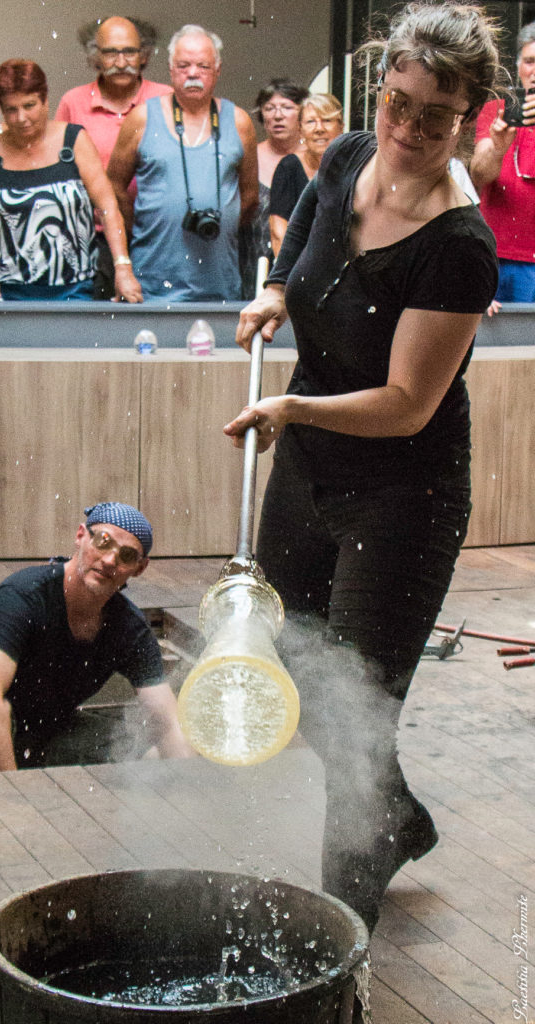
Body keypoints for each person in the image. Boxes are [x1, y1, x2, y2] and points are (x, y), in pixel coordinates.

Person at [222, 1, 504, 932]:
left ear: (471, 118)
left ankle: (337, 947)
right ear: (381, 85)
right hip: (308, 472)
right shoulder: (343, 155)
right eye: (399, 101)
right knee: (291, 675)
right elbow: (300, 241)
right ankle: (398, 820)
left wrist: (289, 404)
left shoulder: (460, 248)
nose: (409, 129)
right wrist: (272, 293)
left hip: (403, 495)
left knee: (356, 717)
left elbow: (407, 403)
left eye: (436, 116)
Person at [0, 502, 191, 770]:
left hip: (43, 731)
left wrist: (195, 794)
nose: (110, 560)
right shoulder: (24, 597)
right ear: (80, 536)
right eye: (102, 541)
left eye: (126, 555)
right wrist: (16, 794)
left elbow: (167, 722)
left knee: (146, 753)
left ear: (140, 567)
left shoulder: (130, 629)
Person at [0, 59, 140, 302]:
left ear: (45, 100)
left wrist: (122, 267)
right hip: (3, 291)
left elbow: (108, 207)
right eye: (11, 110)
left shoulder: (73, 141)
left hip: (75, 289)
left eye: (29, 105)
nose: (21, 118)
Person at [107, 24, 258, 302]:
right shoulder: (141, 119)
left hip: (220, 283)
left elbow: (249, 198)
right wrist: (147, 226)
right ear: (170, 69)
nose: (192, 73)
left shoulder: (239, 122)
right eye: (183, 65)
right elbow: (114, 189)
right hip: (153, 283)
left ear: (218, 70)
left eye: (203, 66)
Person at [55, 17, 170, 297]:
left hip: (156, 235)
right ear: (95, 57)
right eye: (110, 52)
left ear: (144, 55)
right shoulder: (73, 102)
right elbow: (57, 169)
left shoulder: (165, 98)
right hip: (94, 237)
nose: (121, 61)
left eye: (129, 51)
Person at [470, 21, 535, 309]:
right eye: (531, 61)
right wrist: (498, 147)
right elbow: (479, 175)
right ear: (519, 66)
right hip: (497, 256)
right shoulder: (496, 109)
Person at [238, 78, 307, 295]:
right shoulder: (247, 157)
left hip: (299, 268)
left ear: (303, 113)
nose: (278, 115)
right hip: (250, 262)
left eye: (287, 107)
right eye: (270, 108)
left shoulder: (313, 162)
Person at [268, 93, 343, 258]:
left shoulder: (351, 169)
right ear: (301, 130)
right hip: (297, 269)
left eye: (327, 120)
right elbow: (278, 234)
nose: (319, 129)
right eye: (311, 122)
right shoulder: (288, 168)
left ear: (341, 126)